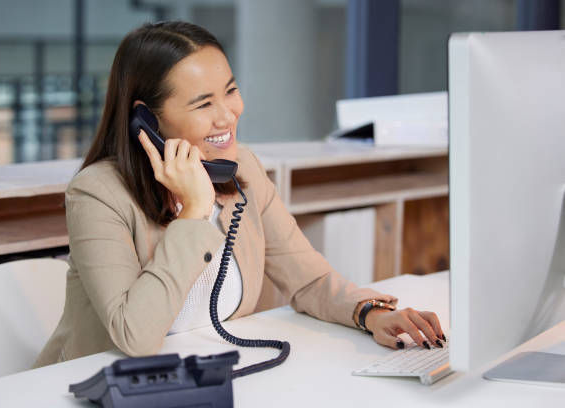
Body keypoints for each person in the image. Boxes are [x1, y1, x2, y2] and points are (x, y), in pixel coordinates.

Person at [34, 21, 445, 368]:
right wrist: (193, 213)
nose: (229, 114)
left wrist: (370, 313)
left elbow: (310, 279)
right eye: (203, 103)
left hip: (205, 375)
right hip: (101, 386)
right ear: (146, 120)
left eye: (230, 91)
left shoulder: (241, 169)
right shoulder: (98, 194)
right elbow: (135, 337)